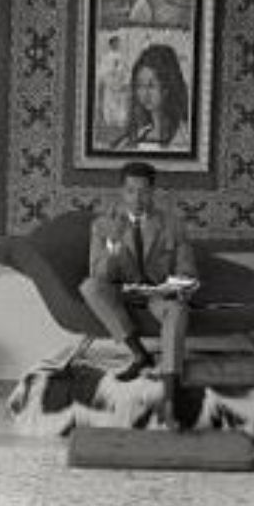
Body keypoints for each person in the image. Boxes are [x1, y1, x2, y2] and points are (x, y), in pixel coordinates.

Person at [79, 161, 199, 387]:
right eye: (130, 191)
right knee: (90, 287)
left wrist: (177, 287)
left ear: (153, 192)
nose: (137, 198)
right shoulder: (102, 225)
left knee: (177, 308)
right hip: (122, 290)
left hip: (157, 292)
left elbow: (187, 269)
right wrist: (113, 244)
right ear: (121, 192)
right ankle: (139, 355)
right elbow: (99, 274)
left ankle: (171, 382)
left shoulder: (173, 224)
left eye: (143, 192)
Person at [111, 44, 190, 151]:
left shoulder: (183, 135)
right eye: (140, 85)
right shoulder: (139, 136)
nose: (145, 93)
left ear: (167, 88)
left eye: (151, 85)